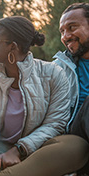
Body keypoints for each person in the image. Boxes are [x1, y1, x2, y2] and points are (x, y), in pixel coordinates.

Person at [0, 16, 89, 176]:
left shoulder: (52, 73)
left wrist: (19, 149)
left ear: (13, 46)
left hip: (40, 148)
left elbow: (56, 124)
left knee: (77, 146)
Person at [54, 3, 89, 146]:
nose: (66, 36)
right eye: (62, 31)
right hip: (75, 135)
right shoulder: (58, 69)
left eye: (72, 27)